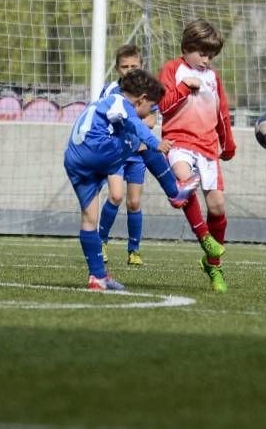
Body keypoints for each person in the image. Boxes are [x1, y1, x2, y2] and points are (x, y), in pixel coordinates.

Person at [64, 69, 199, 291]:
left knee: (89, 219)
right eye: (150, 108)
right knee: (138, 141)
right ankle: (175, 192)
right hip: (97, 150)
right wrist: (154, 143)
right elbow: (136, 125)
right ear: (142, 99)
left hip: (74, 159)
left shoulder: (106, 102)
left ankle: (98, 277)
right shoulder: (122, 103)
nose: (149, 113)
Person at [158, 19, 236, 294]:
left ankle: (213, 264)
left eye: (211, 56)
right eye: (202, 54)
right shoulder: (172, 69)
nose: (206, 60)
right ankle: (204, 238)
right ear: (187, 48)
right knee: (184, 179)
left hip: (207, 147)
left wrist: (228, 145)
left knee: (217, 208)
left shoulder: (213, 78)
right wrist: (183, 88)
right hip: (178, 141)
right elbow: (163, 106)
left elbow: (222, 113)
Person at [97, 44, 154, 266]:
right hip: (117, 153)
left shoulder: (147, 90)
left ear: (141, 66)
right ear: (117, 68)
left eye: (134, 66)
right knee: (116, 196)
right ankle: (101, 242)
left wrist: (135, 125)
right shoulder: (110, 90)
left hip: (137, 155)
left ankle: (134, 251)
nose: (129, 70)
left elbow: (151, 119)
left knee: (134, 202)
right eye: (124, 66)